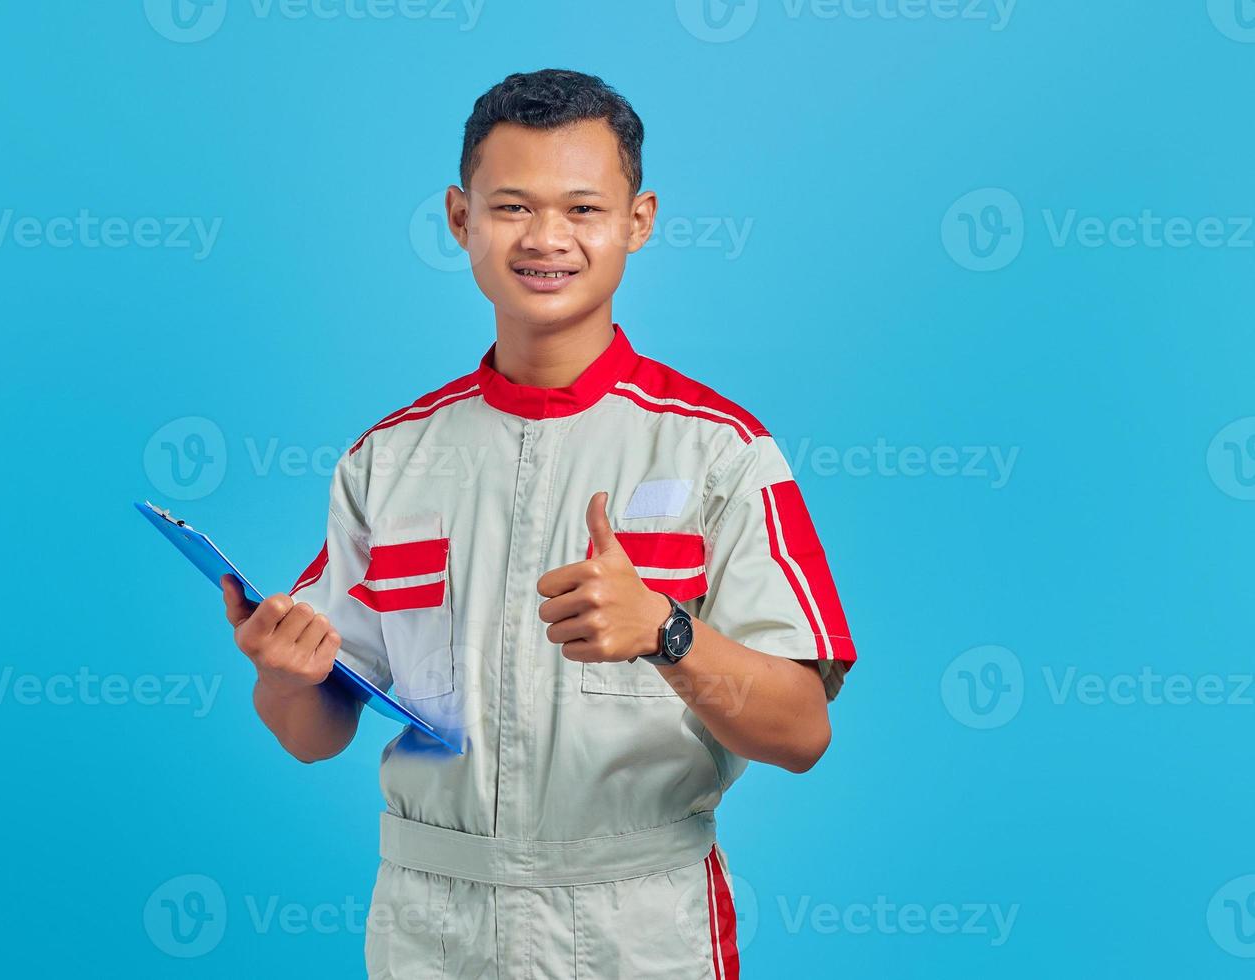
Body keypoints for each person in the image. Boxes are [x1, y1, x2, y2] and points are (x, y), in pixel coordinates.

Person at [219, 68, 856, 979]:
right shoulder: (389, 461)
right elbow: (315, 733)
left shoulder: (723, 453)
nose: (547, 238)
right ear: (459, 218)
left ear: (637, 222)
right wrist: (282, 679)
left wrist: (666, 633)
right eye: (512, 206)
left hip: (637, 926)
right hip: (431, 929)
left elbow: (802, 733)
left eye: (584, 210)